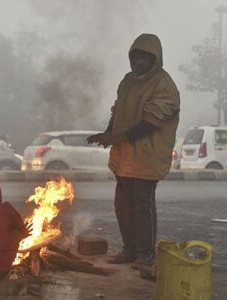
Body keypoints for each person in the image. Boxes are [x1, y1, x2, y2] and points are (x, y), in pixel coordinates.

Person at [87, 33, 180, 270]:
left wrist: (117, 137)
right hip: (124, 156)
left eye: (143, 58)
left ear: (154, 59)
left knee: (142, 204)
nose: (137, 62)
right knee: (122, 204)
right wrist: (108, 134)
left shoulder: (164, 84)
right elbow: (117, 111)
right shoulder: (127, 81)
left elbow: (151, 122)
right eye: (134, 56)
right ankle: (129, 250)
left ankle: (146, 254)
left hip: (147, 157)